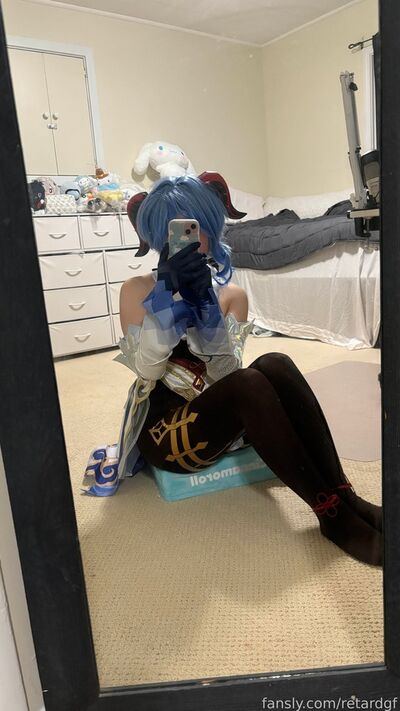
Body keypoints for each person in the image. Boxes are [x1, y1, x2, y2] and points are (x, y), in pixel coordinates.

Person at [111, 172, 382, 567]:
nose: (189, 238)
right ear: (156, 235)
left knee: (275, 363)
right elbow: (148, 372)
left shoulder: (230, 294)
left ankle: (345, 496)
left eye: (197, 226)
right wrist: (166, 297)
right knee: (248, 385)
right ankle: (332, 515)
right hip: (164, 432)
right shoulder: (136, 289)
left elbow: (225, 377)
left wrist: (206, 307)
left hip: (214, 418)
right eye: (175, 230)